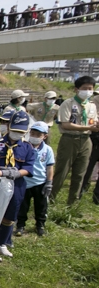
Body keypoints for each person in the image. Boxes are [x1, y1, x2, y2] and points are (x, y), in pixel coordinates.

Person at [0, 111, 35, 263]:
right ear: (9, 126)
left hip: (16, 185)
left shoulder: (27, 147)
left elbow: (29, 167)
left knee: (10, 216)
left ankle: (2, 244)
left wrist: (17, 173)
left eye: (21, 131)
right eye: (15, 130)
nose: (17, 134)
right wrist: (2, 171)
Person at [52, 76, 99, 204]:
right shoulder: (68, 103)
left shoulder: (92, 106)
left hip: (86, 140)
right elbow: (65, 124)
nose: (88, 91)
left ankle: (73, 202)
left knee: (80, 173)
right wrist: (88, 127)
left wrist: (95, 126)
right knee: (62, 171)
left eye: (90, 89)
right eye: (85, 88)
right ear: (76, 89)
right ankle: (50, 199)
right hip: (69, 139)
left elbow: (93, 121)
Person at [15, 121, 54, 237]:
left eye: (38, 135)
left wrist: (49, 183)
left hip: (40, 182)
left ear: (44, 136)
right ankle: (20, 225)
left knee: (41, 206)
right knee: (23, 206)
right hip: (25, 182)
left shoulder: (47, 150)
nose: (34, 137)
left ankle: (40, 225)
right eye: (32, 133)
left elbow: (50, 167)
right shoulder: (23, 146)